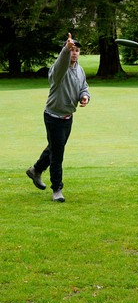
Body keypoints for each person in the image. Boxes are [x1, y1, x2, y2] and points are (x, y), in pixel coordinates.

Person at [26, 33, 90, 202]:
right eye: (72, 50)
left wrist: (85, 96)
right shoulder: (58, 69)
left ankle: (35, 170)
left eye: (77, 50)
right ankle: (57, 190)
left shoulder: (79, 69)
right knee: (57, 153)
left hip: (68, 117)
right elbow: (62, 62)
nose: (74, 53)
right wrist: (65, 50)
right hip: (53, 116)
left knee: (55, 147)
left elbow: (83, 86)